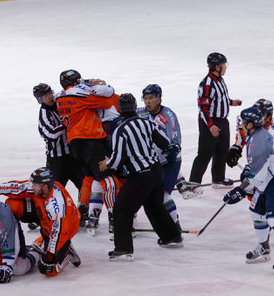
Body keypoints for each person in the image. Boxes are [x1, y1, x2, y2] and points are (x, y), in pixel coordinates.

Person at [99, 93, 182, 261]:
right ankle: (172, 237)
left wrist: (107, 164)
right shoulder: (147, 123)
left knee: (121, 210)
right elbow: (166, 143)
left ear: (120, 109)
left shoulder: (120, 130)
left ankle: (123, 249)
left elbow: (118, 159)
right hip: (156, 172)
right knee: (154, 206)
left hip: (139, 176)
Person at [223, 107, 274, 275]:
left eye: (243, 122)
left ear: (250, 124)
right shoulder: (255, 136)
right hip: (268, 178)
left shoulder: (258, 140)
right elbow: (258, 170)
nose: (241, 125)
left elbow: (259, 174)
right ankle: (264, 247)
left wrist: (240, 190)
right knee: (256, 212)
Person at [55, 69, 121, 235]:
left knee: (88, 178)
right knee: (109, 179)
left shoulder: (60, 97)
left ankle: (82, 212)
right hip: (89, 141)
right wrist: (101, 85)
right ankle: (115, 217)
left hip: (75, 145)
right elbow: (106, 102)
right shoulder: (78, 92)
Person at [33, 83, 88, 227]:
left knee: (84, 183)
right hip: (56, 160)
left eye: (50, 92)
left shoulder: (59, 103)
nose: (50, 96)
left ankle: (82, 214)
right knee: (51, 190)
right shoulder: (44, 114)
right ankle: (41, 216)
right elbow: (51, 133)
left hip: (71, 156)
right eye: (45, 96)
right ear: (39, 100)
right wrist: (67, 123)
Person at [189, 52, 242, 188]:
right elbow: (203, 107)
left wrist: (231, 102)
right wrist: (211, 126)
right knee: (205, 153)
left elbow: (218, 99)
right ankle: (194, 182)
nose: (225, 67)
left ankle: (218, 179)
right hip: (210, 122)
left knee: (222, 151)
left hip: (222, 121)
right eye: (223, 64)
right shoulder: (207, 84)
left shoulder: (220, 80)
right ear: (217, 67)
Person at [136, 84, 181, 227]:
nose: (147, 101)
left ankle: (175, 224)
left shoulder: (168, 115)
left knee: (164, 195)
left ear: (159, 99)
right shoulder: (141, 113)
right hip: (151, 162)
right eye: (145, 98)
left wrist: (173, 149)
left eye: (151, 98)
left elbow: (175, 136)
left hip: (169, 161)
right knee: (141, 193)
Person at [28, 167, 81, 276]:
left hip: (65, 231)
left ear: (45, 187)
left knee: (48, 271)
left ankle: (67, 254)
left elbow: (59, 233)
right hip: (55, 226)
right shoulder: (48, 188)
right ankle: (44, 242)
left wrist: (49, 255)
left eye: (35, 185)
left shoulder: (57, 207)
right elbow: (18, 187)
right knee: (16, 204)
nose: (32, 187)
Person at [227, 98, 274, 168]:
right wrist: (235, 150)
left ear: (268, 117)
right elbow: (242, 137)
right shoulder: (248, 122)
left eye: (261, 116)